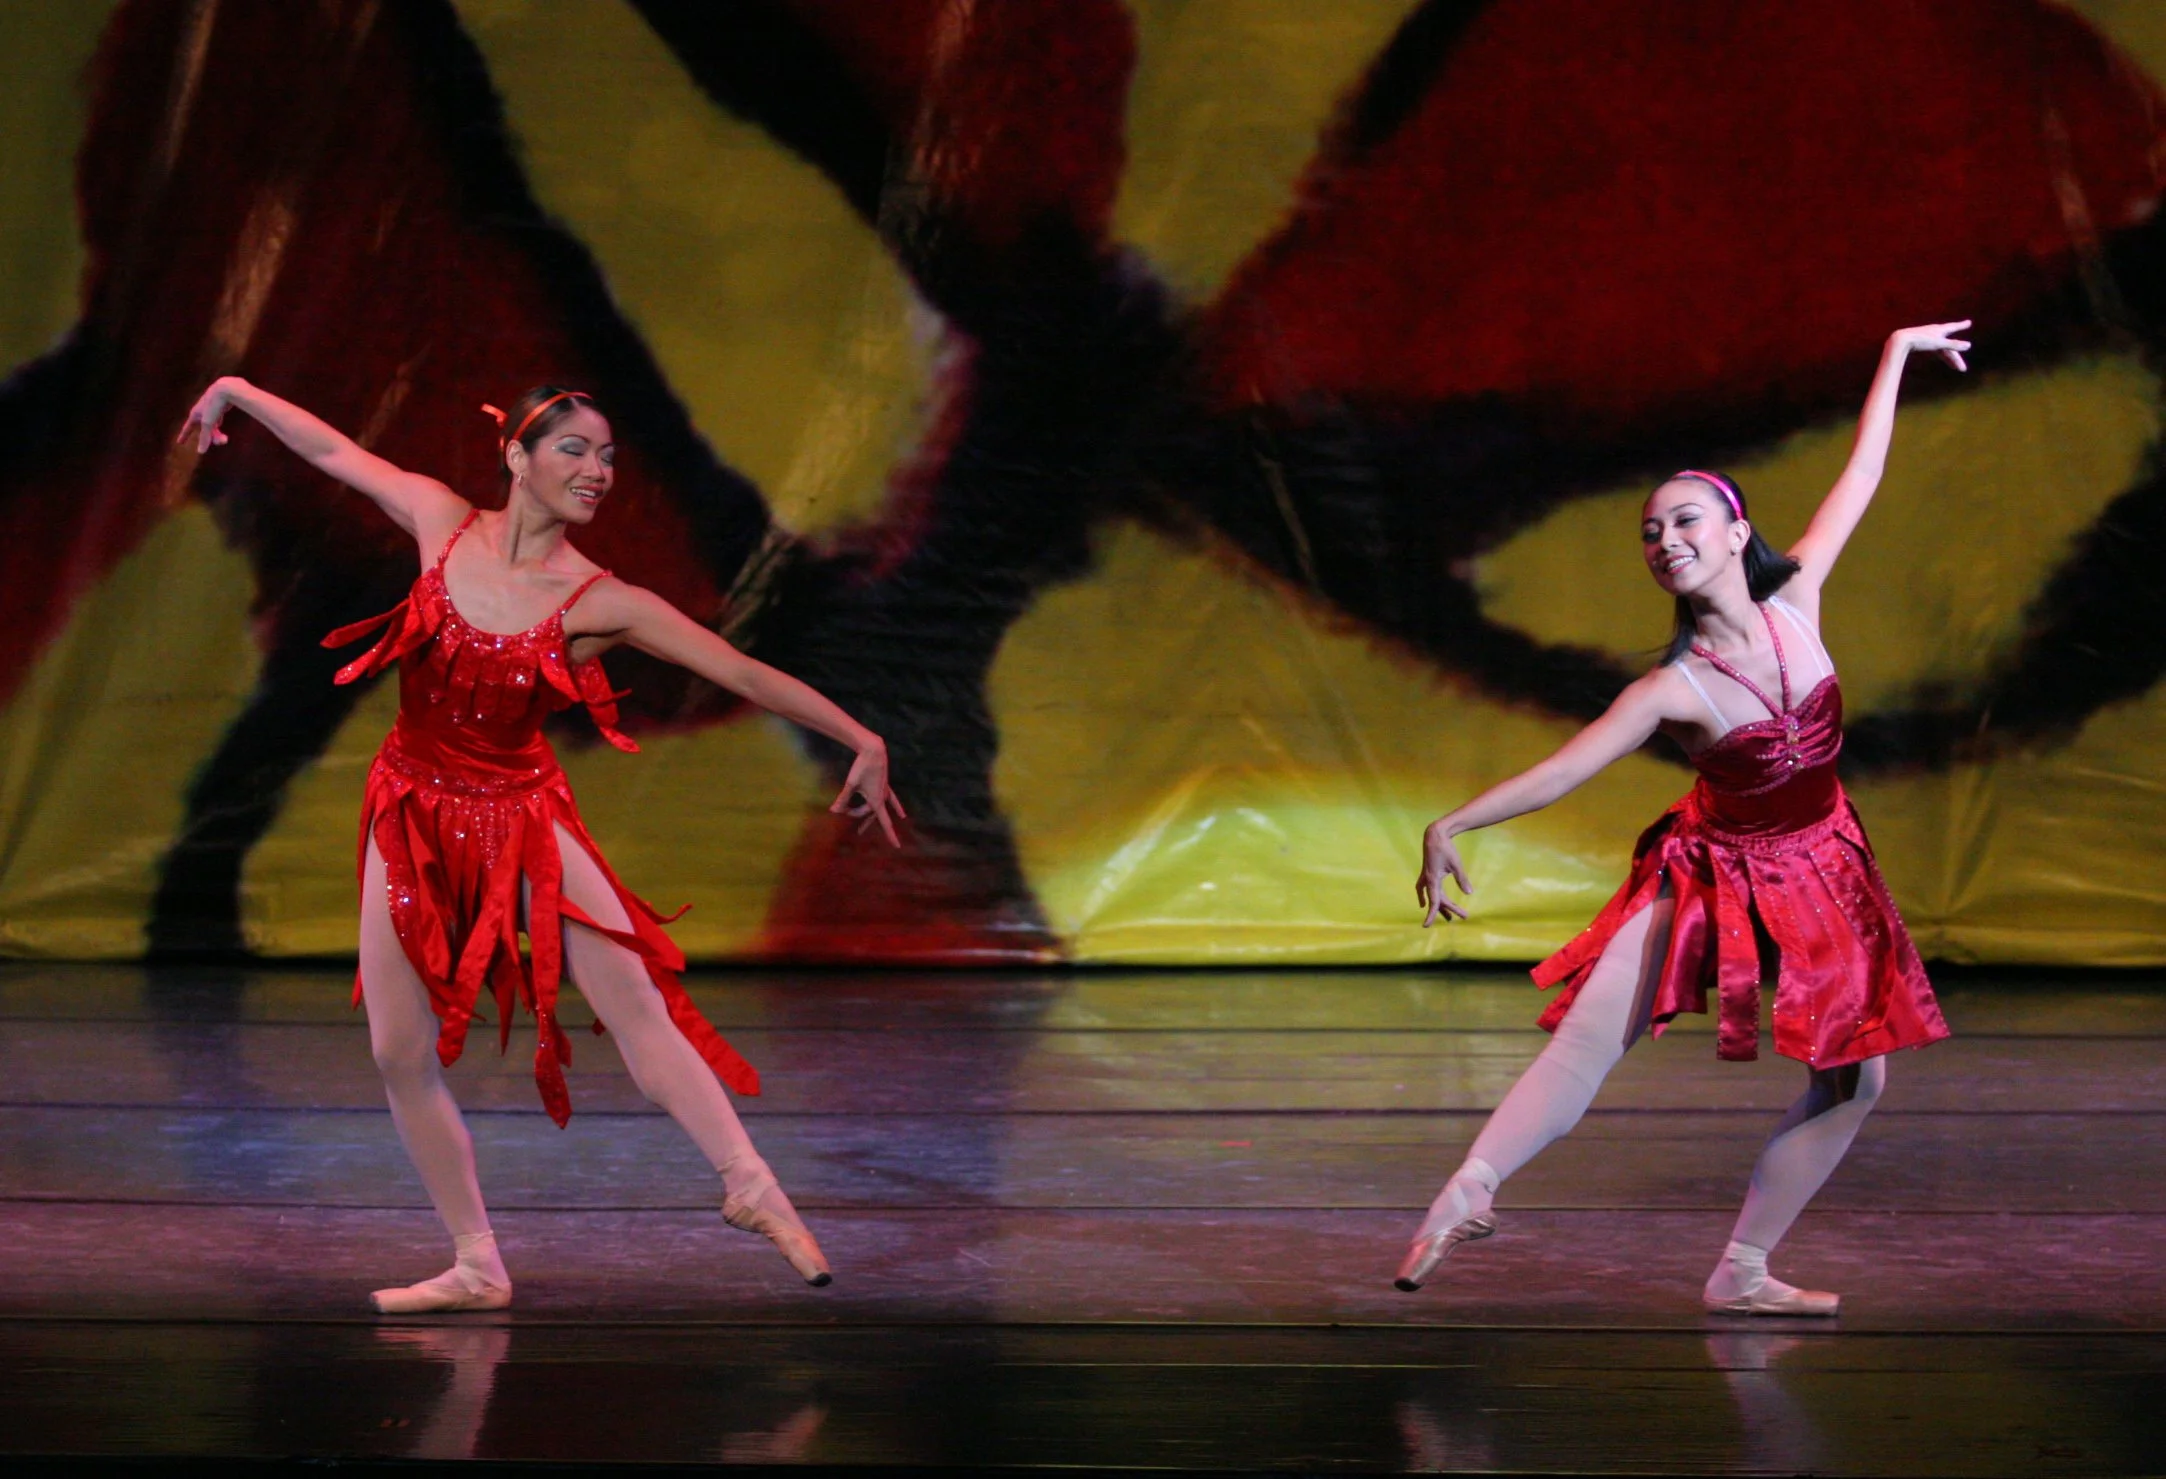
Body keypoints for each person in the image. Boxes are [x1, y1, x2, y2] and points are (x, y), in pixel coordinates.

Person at [178, 380, 906, 1312]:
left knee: (636, 1002)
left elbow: (737, 669)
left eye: (607, 457)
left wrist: (861, 737)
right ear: (518, 458)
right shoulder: (439, 521)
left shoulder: (602, 600)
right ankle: (478, 1261)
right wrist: (238, 390)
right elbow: (334, 453)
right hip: (410, 809)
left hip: (521, 817)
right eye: (575, 450)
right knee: (398, 1049)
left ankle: (749, 1183)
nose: (597, 470)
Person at [1401, 323, 1970, 1315]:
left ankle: (1742, 1271)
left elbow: (1865, 470)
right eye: (1653, 533)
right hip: (1714, 871)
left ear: (1737, 531)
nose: (1667, 540)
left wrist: (1893, 353)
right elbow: (1564, 768)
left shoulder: (1800, 598)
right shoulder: (1672, 690)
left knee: (1858, 1084)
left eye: (1686, 521)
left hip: (1822, 866)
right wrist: (1452, 824)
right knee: (1587, 1039)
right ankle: (1471, 1186)